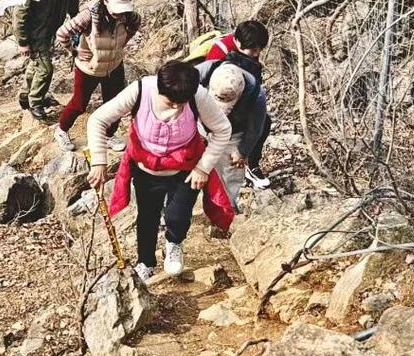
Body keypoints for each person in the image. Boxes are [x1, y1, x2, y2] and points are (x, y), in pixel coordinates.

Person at [87, 60, 233, 282]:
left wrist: (203, 167)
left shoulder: (197, 95)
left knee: (178, 215)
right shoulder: (140, 90)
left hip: (186, 167)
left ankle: (174, 243)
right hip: (146, 167)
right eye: (170, 102)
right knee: (147, 215)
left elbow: (222, 129)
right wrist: (99, 161)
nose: (176, 108)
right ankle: (145, 261)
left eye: (181, 103)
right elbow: (98, 120)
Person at [52, 0, 139, 151]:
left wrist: (121, 45)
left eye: (123, 10)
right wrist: (74, 51)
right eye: (116, 10)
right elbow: (62, 33)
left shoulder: (129, 16)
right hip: (88, 68)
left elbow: (134, 26)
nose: (119, 14)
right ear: (106, 2)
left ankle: (108, 135)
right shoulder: (89, 16)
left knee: (115, 104)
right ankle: (61, 130)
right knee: (79, 104)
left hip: (114, 66)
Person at [206, 19, 274, 189]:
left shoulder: (250, 49)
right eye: (253, 50)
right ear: (237, 42)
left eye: (259, 49)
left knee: (263, 123)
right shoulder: (219, 53)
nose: (257, 54)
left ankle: (251, 164)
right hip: (217, 103)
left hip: (243, 98)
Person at [196, 61, 265, 213]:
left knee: (231, 168)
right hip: (199, 121)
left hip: (234, 130)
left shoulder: (256, 95)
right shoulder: (200, 74)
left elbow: (255, 129)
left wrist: (242, 151)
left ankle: (225, 210)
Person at [14, 0, 78, 121]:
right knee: (45, 69)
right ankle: (35, 102)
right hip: (34, 32)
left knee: (36, 63)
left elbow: (73, 2)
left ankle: (24, 96)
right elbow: (20, 12)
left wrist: (75, 23)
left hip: (51, 29)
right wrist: (22, 41)